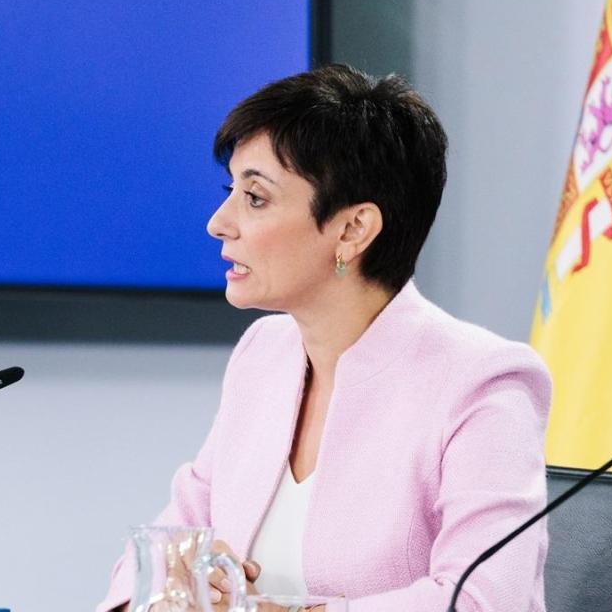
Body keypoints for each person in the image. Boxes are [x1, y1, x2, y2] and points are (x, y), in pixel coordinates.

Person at [97, 65, 551, 612]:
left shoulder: (482, 383)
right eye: (231, 190)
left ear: (353, 228)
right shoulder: (264, 355)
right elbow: (161, 547)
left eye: (256, 198)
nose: (219, 222)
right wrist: (173, 593)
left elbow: (485, 600)